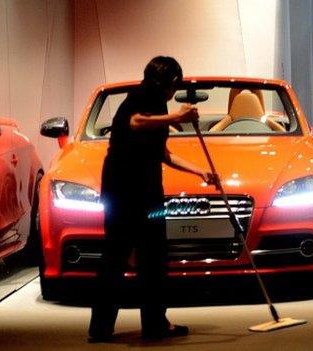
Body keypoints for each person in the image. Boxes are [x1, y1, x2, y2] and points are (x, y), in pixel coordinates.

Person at [88, 56, 218, 343]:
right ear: (167, 82)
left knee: (153, 259)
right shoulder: (138, 98)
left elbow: (163, 152)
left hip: (147, 191)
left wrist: (202, 172)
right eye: (175, 84)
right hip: (125, 192)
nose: (175, 91)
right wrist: (178, 118)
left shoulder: (158, 104)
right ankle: (101, 327)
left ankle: (153, 323)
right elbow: (136, 122)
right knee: (117, 257)